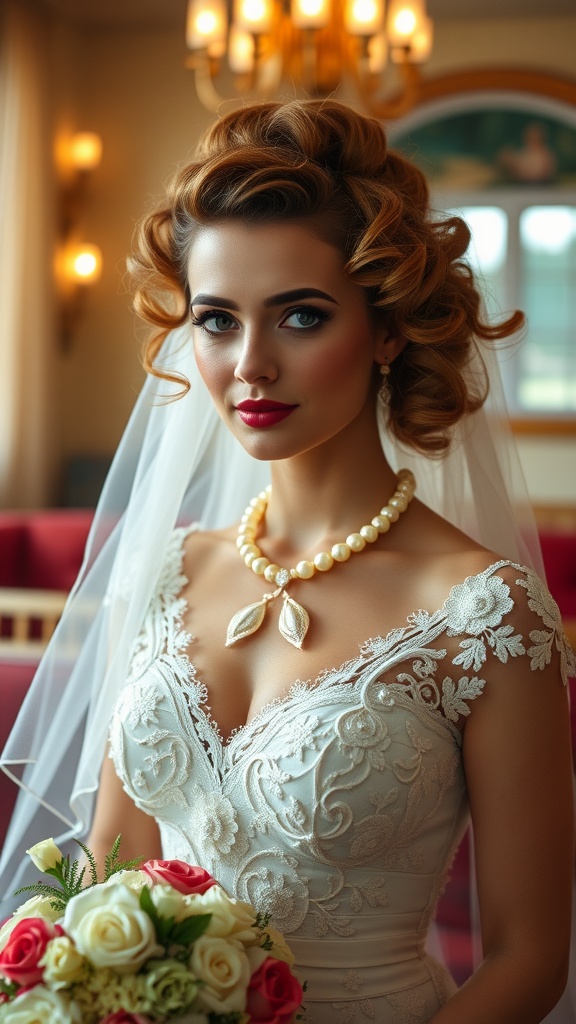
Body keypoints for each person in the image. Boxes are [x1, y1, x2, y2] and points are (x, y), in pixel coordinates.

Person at [0, 100, 574, 1023]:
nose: (250, 364)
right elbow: (105, 880)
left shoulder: (487, 617)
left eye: (301, 316)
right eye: (217, 320)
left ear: (387, 331)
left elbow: (529, 957)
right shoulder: (160, 570)